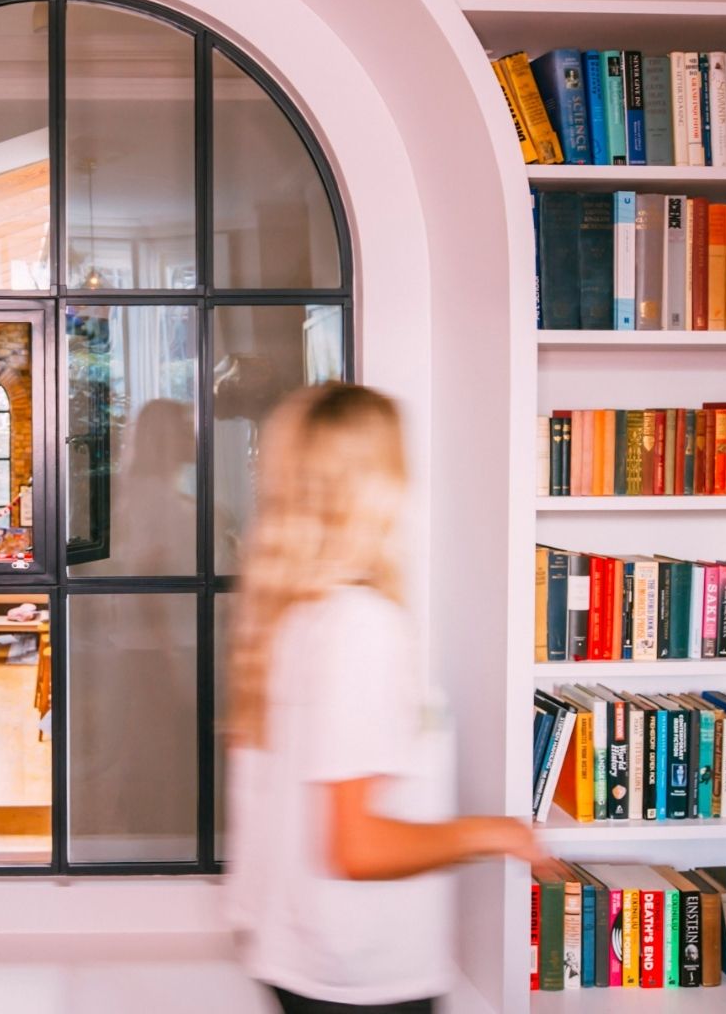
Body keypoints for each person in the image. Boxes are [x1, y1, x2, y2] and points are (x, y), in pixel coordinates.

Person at [224, 383, 544, 1014]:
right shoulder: (359, 625)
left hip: (303, 957)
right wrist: (496, 832)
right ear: (375, 483)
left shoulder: (294, 616)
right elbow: (358, 847)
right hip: (360, 973)